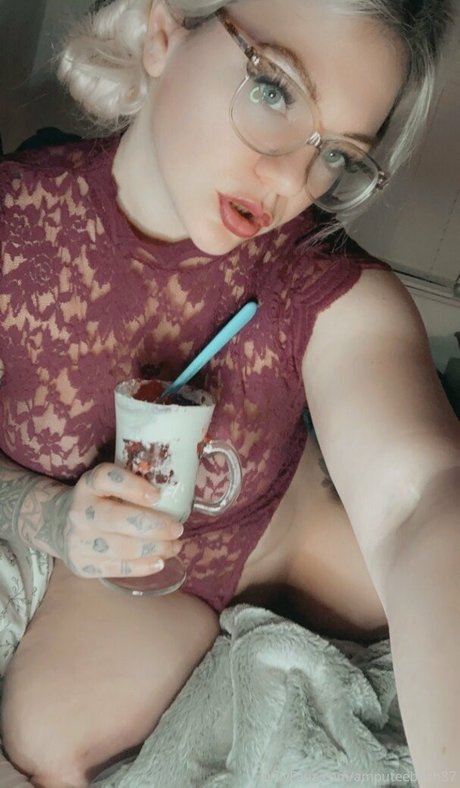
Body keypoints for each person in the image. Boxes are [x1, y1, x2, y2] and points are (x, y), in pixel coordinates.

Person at [0, 0, 458, 785]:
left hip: (309, 553)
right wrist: (52, 516)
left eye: (336, 154)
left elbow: (417, 500)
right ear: (162, 30)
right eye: (275, 90)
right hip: (140, 589)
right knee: (45, 738)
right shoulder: (15, 229)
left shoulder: (321, 284)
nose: (290, 182)